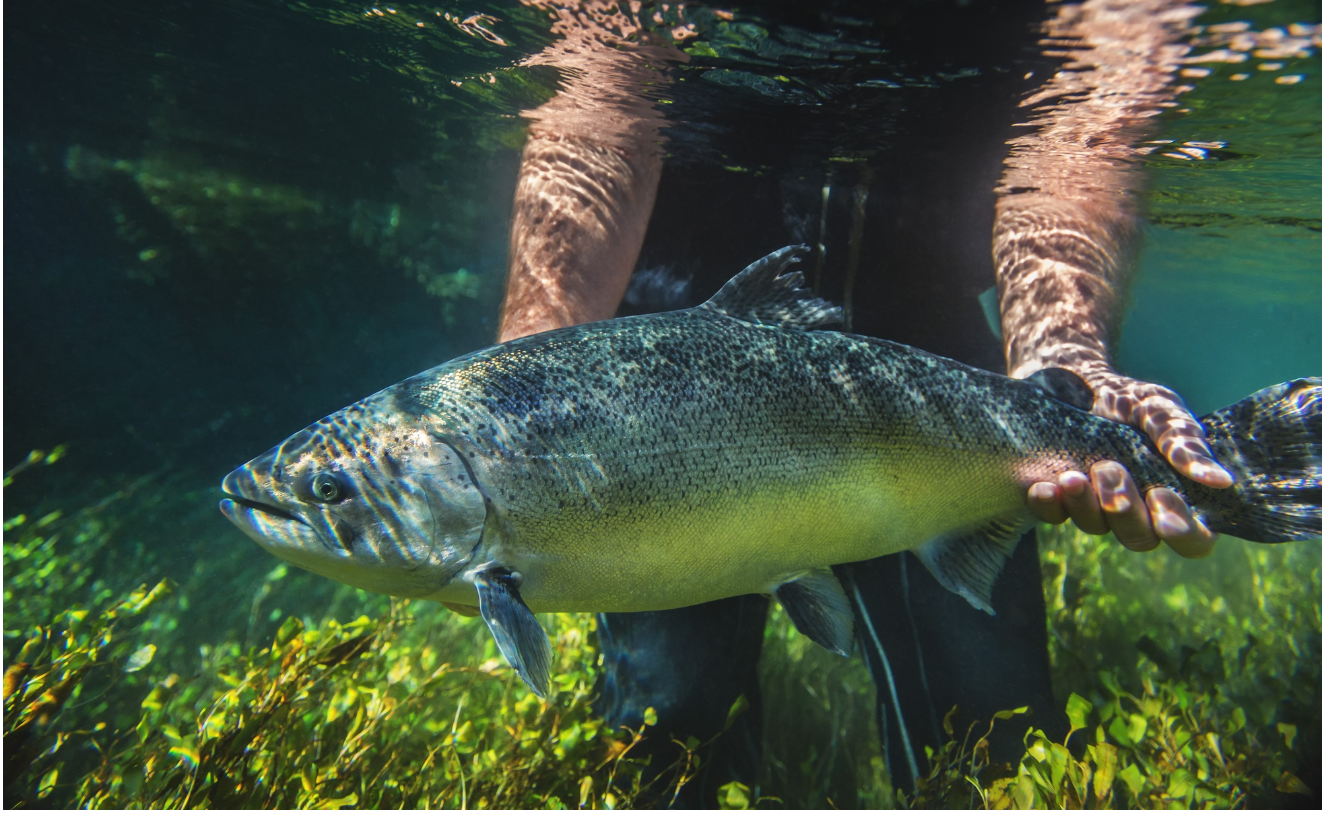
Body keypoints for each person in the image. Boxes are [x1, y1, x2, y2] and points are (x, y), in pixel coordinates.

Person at [491, 0, 1231, 802]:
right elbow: (597, 112)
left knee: (994, 742)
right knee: (664, 730)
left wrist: (1064, 360)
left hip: (930, 373)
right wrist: (521, 390)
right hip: (655, 389)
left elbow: (1087, 110)